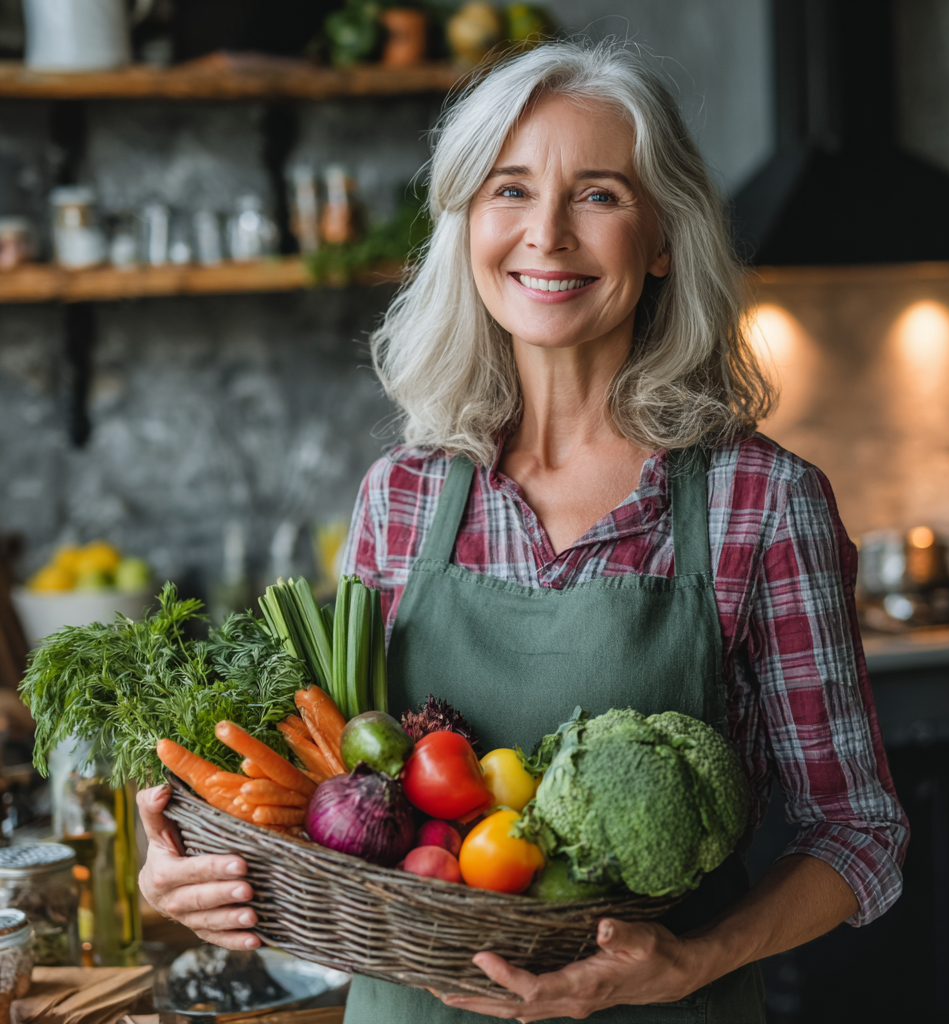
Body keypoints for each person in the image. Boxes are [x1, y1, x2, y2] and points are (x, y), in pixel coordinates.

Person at [137, 40, 909, 1023]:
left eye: (597, 195)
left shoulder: (759, 501)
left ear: (662, 236)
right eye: (509, 190)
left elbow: (856, 830)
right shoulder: (403, 496)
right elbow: (333, 794)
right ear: (467, 226)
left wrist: (692, 959)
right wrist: (199, 869)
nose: (545, 234)